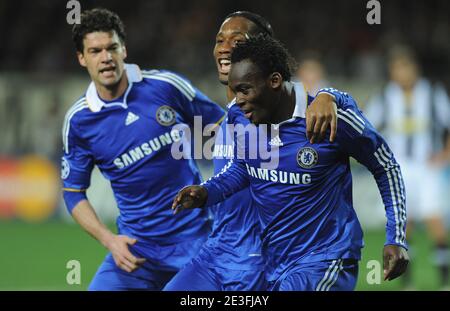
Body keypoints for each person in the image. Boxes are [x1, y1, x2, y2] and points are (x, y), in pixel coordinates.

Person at [172, 35, 409, 291]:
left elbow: (384, 165)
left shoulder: (327, 118)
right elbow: (243, 168)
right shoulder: (239, 117)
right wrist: (207, 192)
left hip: (325, 259)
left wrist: (395, 236)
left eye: (245, 90)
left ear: (274, 81)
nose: (237, 100)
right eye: (235, 90)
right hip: (276, 264)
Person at [164, 11, 341, 291]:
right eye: (219, 39)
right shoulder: (227, 116)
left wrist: (329, 94)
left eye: (237, 40)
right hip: (217, 252)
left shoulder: (280, 116)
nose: (224, 46)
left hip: (260, 260)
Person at [61, 8, 227, 290]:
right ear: (82, 58)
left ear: (123, 49)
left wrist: (227, 194)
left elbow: (224, 128)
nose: (106, 57)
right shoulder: (79, 121)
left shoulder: (165, 87)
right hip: (138, 252)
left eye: (112, 47)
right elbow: (73, 193)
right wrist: (109, 240)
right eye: (95, 50)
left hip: (199, 244)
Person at [366, 46, 450, 289]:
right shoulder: (384, 97)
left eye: (405, 68)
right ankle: (408, 283)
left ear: (415, 69)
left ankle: (444, 281)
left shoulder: (433, 94)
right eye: (396, 69)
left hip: (427, 167)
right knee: (404, 225)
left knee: (435, 222)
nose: (401, 74)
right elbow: (368, 129)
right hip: (399, 169)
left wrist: (445, 153)